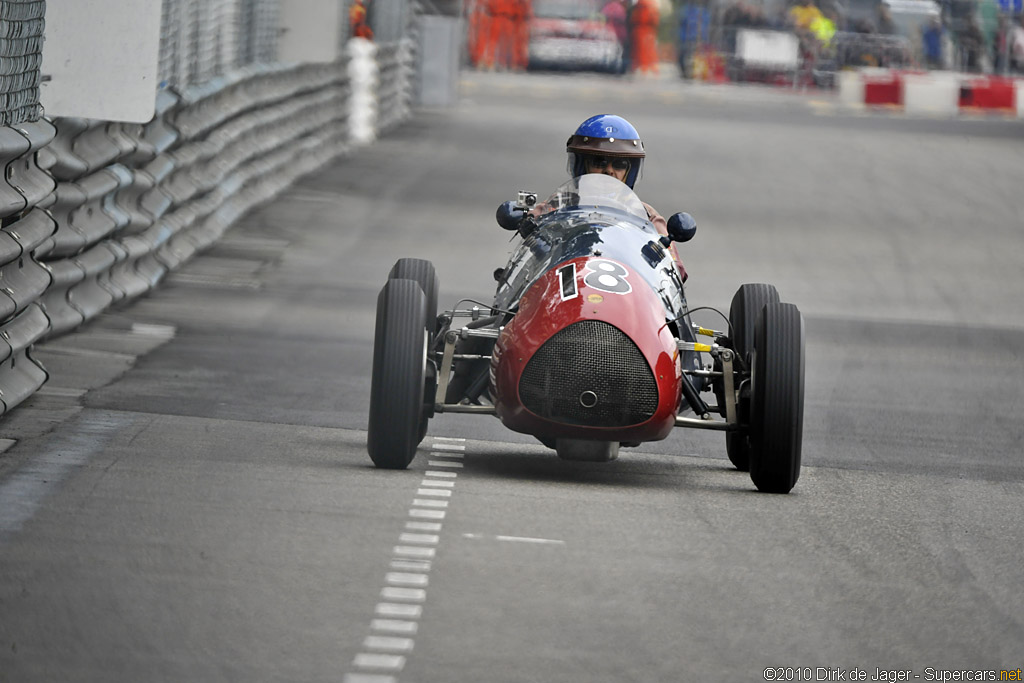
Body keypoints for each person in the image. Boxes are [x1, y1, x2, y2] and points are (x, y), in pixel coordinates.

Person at [562, 114, 687, 281]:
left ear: (630, 172)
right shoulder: (559, 205)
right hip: (569, 283)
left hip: (629, 293)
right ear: (581, 166)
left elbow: (676, 273)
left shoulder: (647, 216)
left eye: (619, 165)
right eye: (599, 162)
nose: (609, 171)